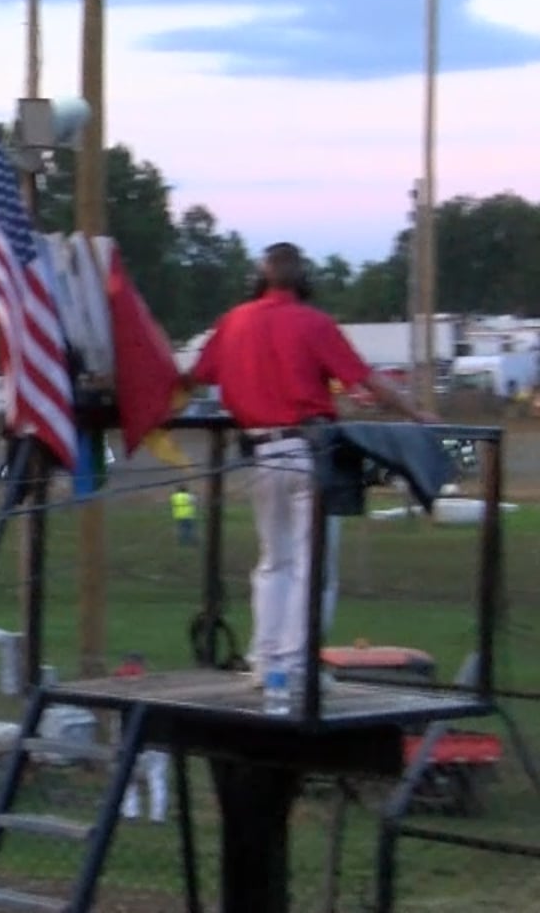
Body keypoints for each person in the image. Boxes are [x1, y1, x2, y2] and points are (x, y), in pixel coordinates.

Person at [182, 242, 436, 689]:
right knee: (313, 566)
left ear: (259, 281)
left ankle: (266, 663)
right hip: (310, 453)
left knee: (274, 561)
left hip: (262, 454)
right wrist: (416, 414)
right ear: (304, 282)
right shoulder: (314, 322)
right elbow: (368, 381)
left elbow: (196, 375)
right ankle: (297, 667)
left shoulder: (233, 321)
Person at [113, 653, 169, 824]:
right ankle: (157, 816)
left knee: (129, 780)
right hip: (158, 743)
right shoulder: (159, 693)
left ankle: (131, 813)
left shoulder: (124, 700)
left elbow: (119, 727)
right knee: (157, 779)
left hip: (134, 744)